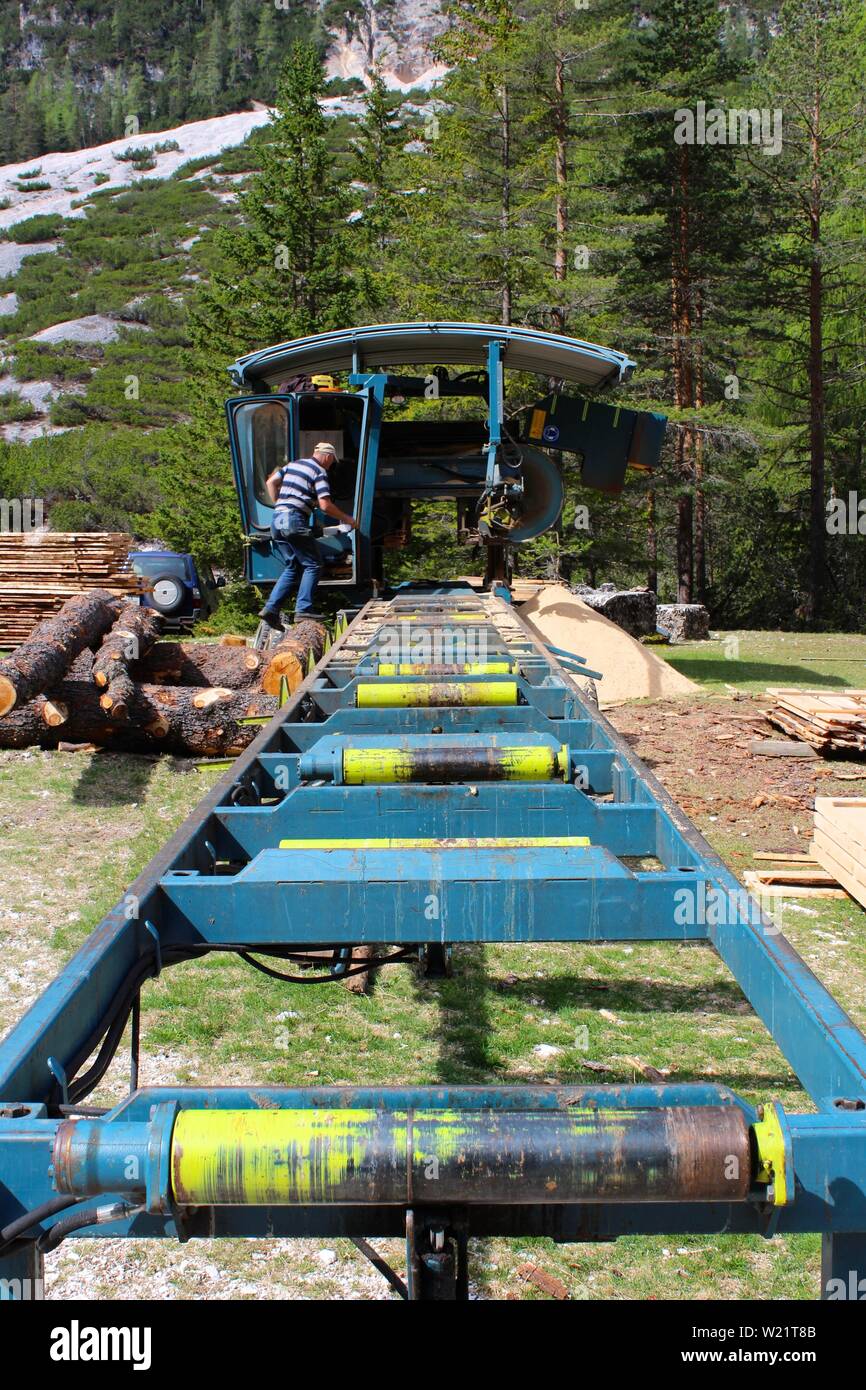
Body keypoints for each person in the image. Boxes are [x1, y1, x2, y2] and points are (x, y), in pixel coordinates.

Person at [259, 442, 358, 629]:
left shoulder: (293, 465)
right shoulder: (319, 472)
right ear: (328, 457)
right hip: (294, 520)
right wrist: (348, 519)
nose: (330, 466)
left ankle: (271, 610)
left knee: (293, 565)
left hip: (277, 520)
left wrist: (279, 504)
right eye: (331, 462)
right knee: (313, 564)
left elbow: (270, 482)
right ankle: (303, 609)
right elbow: (325, 505)